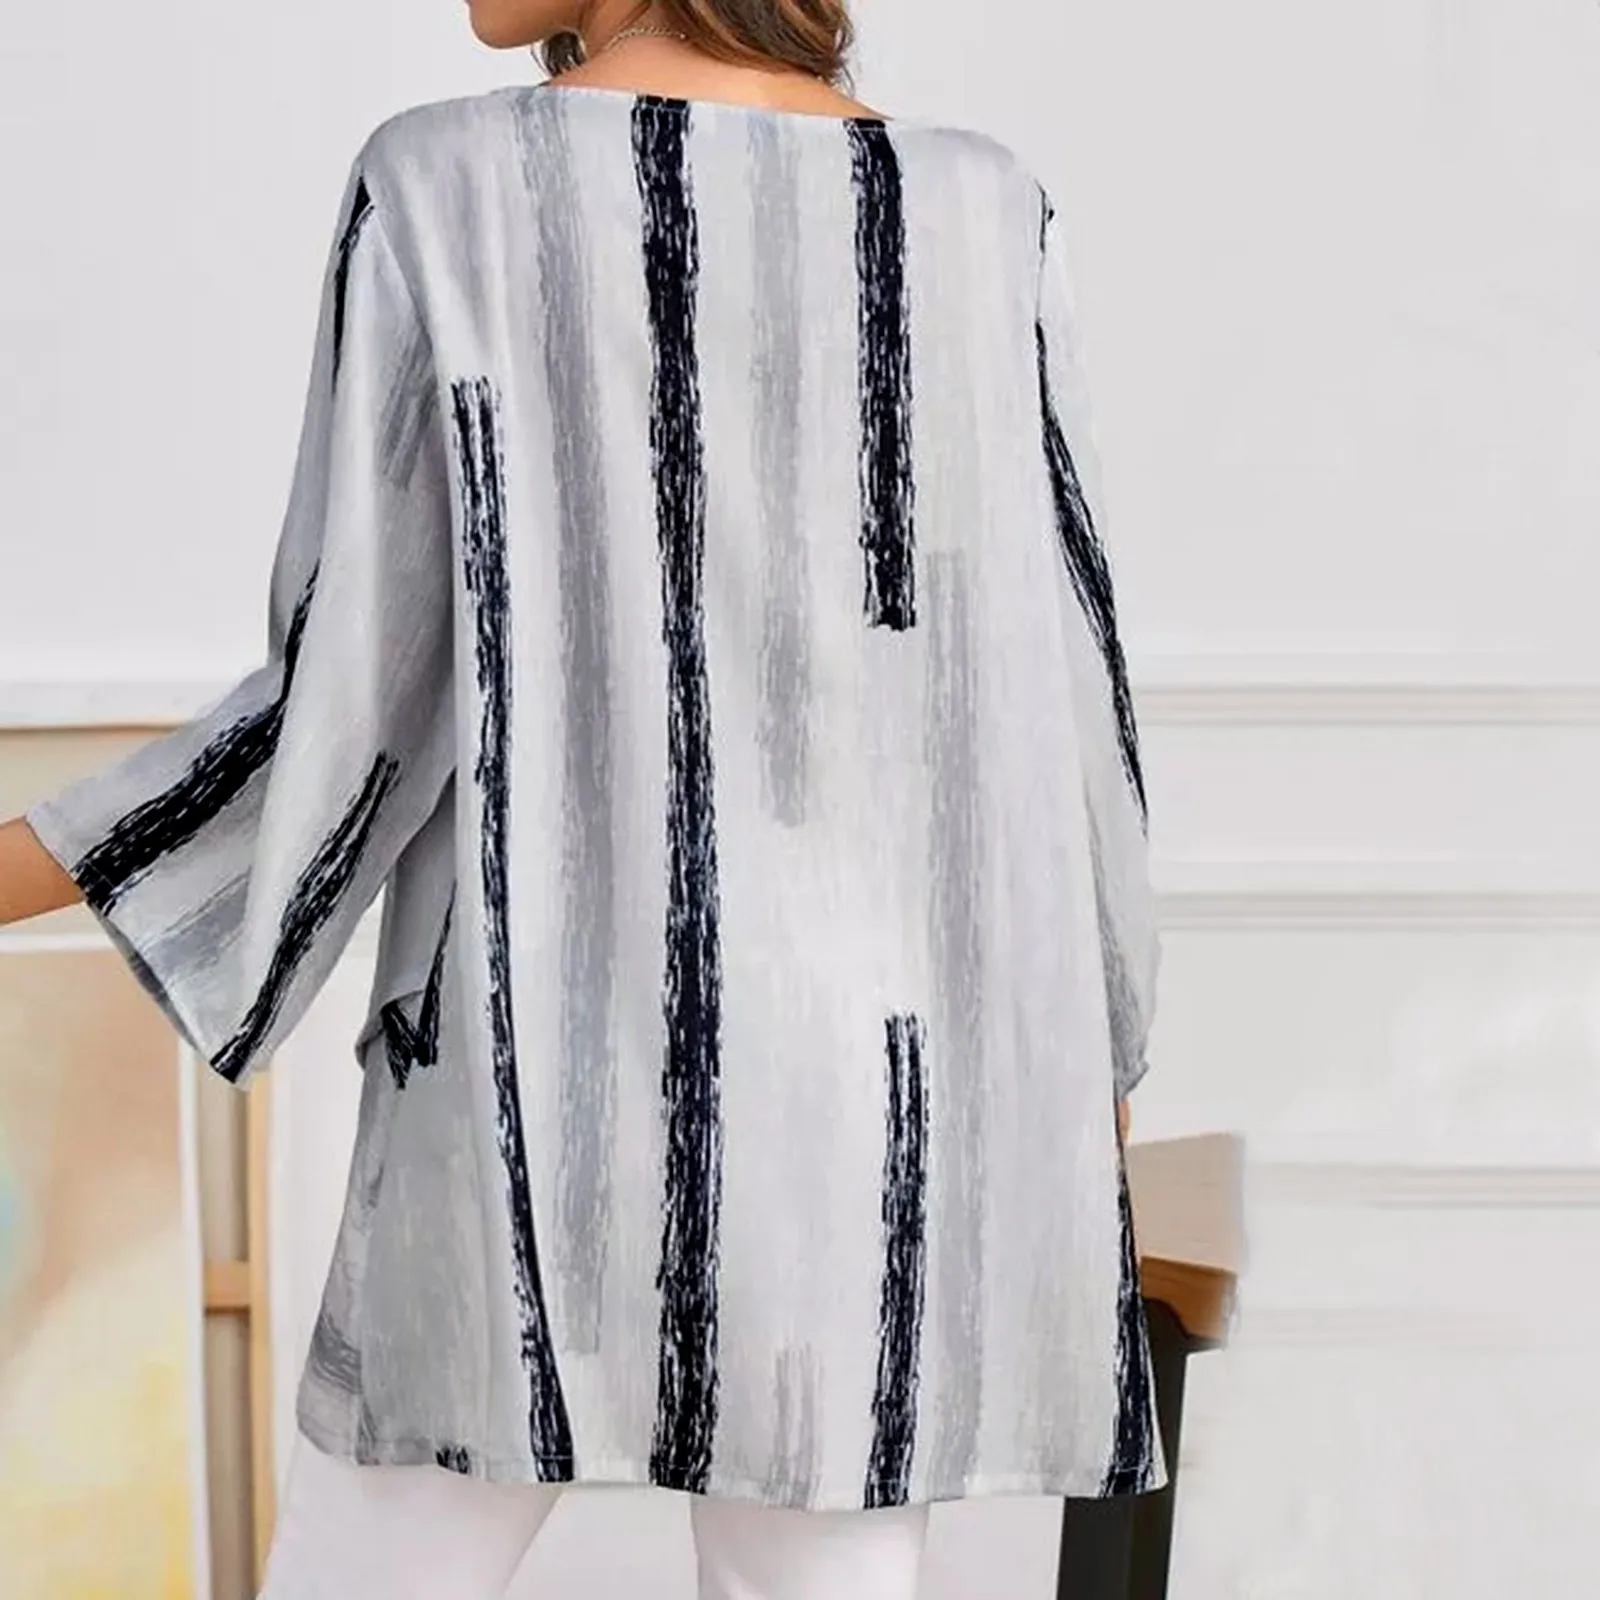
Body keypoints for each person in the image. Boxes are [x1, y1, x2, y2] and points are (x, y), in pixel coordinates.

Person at [0, 1, 1163, 1594]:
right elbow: (1065, 670)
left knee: (371, 1570)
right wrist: (1100, 1045)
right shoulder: (982, 211)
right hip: (876, 1109)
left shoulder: (444, 189)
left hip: (534, 1090)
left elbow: (350, 706)